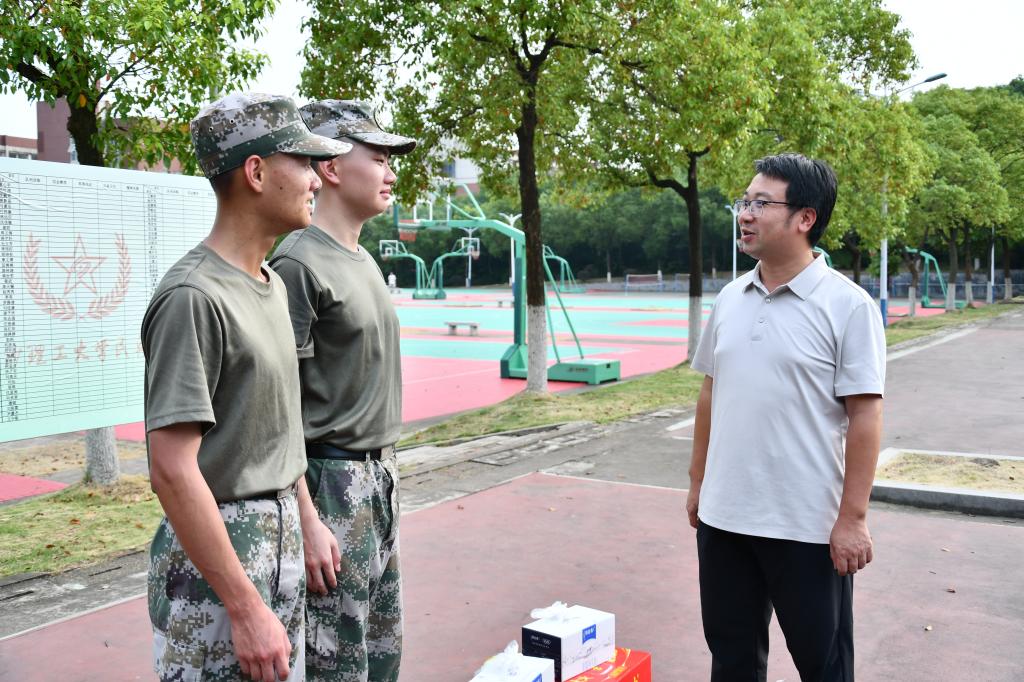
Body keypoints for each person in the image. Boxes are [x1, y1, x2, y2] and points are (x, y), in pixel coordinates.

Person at [142, 92, 350, 682]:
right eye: (303, 163)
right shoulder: (193, 297)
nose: (316, 180)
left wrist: (306, 517)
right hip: (220, 571)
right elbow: (172, 470)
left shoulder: (270, 284)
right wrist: (245, 607)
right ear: (255, 172)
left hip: (279, 549)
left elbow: (277, 428)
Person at [687, 153, 885, 681]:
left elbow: (865, 416)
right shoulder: (731, 298)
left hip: (805, 526)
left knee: (823, 666)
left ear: (805, 218)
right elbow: (710, 393)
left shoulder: (848, 306)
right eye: (743, 202)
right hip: (724, 519)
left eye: (760, 203)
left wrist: (853, 518)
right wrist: (698, 483)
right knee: (732, 661)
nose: (745, 214)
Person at [269, 99, 416, 682]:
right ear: (330, 167)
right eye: (377, 158)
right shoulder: (298, 265)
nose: (390, 172)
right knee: (338, 664)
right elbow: (276, 407)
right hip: (329, 486)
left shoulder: (363, 260)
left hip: (379, 480)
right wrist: (306, 518)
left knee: (381, 656)